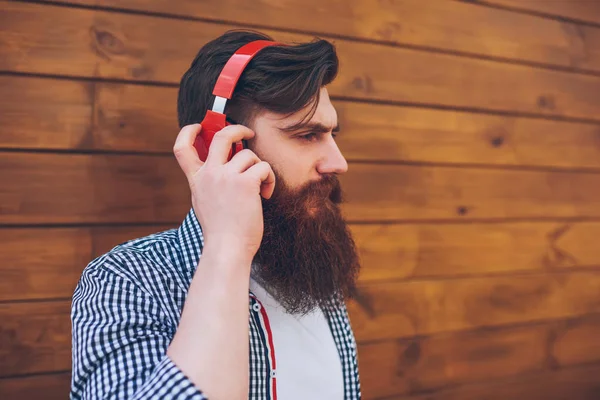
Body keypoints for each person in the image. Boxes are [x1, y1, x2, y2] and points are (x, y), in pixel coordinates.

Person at [71, 29, 362, 400]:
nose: (339, 163)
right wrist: (228, 246)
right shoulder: (129, 282)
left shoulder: (310, 267)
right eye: (307, 135)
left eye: (333, 135)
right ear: (222, 147)